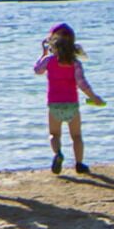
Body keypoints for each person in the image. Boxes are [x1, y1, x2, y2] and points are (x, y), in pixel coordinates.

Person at [34, 22, 96, 172]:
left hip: (54, 105)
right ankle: (79, 164)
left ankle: (58, 153)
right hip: (72, 105)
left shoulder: (49, 61)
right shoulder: (75, 64)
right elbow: (82, 84)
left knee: (54, 134)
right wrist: (94, 97)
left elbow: (37, 70)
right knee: (76, 136)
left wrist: (43, 54)